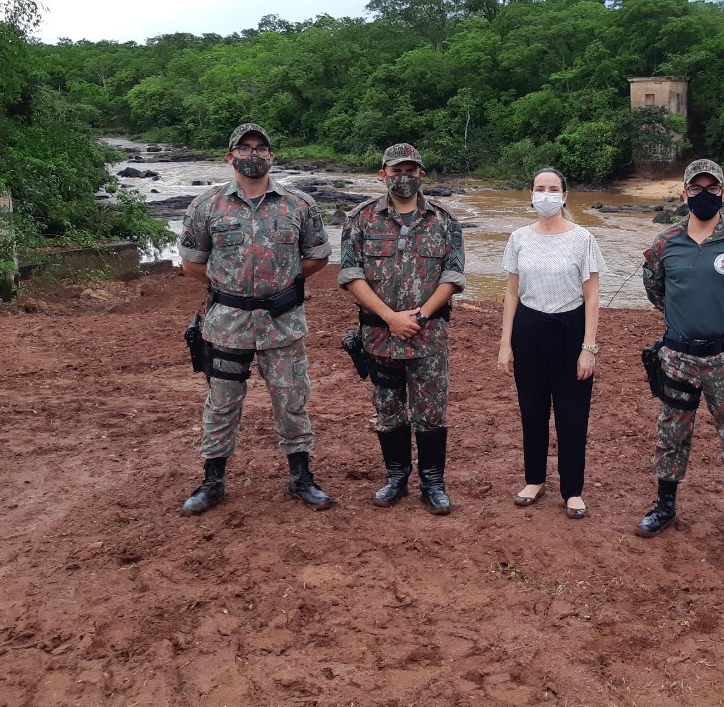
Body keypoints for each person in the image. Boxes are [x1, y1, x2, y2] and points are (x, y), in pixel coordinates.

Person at [178, 122, 334, 514]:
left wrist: (282, 285)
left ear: (271, 156)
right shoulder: (206, 206)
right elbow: (192, 264)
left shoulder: (300, 204)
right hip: (227, 327)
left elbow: (317, 256)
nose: (253, 154)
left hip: (282, 324)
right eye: (244, 148)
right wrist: (230, 293)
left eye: (260, 148)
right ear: (230, 156)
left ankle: (301, 479)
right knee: (221, 404)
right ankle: (212, 482)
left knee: (292, 402)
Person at [636, 158, 724, 551]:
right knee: (672, 431)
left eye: (711, 189)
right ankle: (665, 506)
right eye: (695, 189)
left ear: (722, 193)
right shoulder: (665, 242)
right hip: (678, 356)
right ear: (684, 195)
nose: (703, 195)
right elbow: (656, 292)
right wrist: (684, 317)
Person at [339, 143, 466, 515]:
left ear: (421, 174)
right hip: (379, 336)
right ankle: (396, 477)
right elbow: (350, 274)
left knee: (431, 411)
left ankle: (433, 483)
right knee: (388, 409)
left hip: (429, 336)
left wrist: (421, 316)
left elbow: (453, 276)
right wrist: (390, 317)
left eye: (411, 170)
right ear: (383, 174)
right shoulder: (361, 218)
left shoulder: (444, 221)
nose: (403, 177)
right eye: (396, 171)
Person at [497, 168, 608, 518]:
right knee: (532, 410)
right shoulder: (518, 238)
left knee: (572, 415)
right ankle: (534, 480)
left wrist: (588, 349)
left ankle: (572, 490)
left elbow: (591, 297)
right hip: (528, 328)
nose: (546, 194)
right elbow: (512, 293)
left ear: (564, 195)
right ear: (531, 194)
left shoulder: (582, 239)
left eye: (553, 188)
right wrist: (505, 344)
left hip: (570, 327)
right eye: (540, 188)